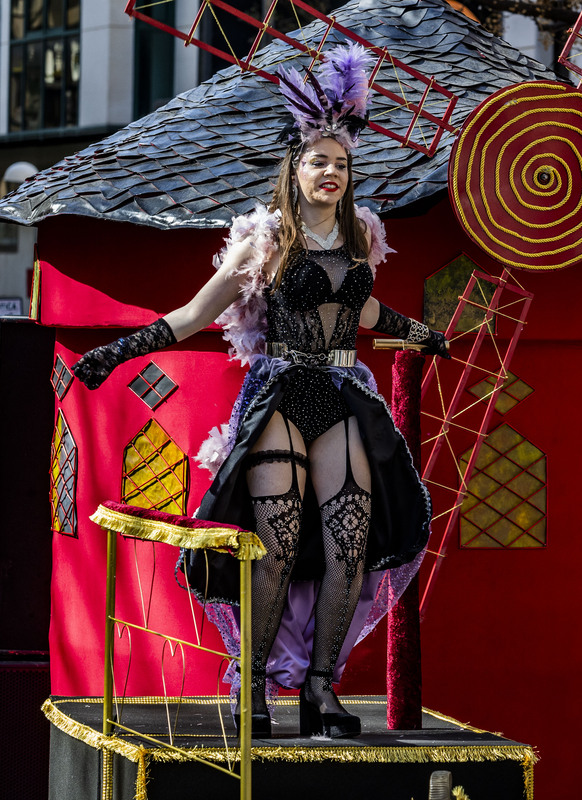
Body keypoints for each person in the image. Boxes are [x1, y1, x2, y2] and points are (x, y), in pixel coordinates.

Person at [70, 46, 447, 740]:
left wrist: (423, 334)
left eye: (340, 162)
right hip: (281, 393)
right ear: (295, 168)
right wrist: (116, 353)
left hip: (342, 394)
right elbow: (192, 314)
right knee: (273, 549)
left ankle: (321, 691)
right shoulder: (265, 240)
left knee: (349, 546)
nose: (330, 172)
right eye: (318, 161)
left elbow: (363, 315)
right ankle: (253, 691)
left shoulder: (362, 236)